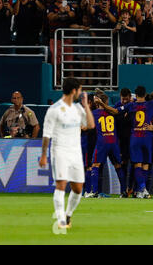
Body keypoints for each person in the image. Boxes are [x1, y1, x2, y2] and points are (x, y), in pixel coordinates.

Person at [39, 78, 95, 229]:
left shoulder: (78, 108)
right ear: (74, 90)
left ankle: (68, 215)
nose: (81, 93)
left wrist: (86, 106)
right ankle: (61, 220)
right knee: (61, 184)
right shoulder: (54, 109)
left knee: (78, 188)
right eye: (80, 90)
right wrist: (44, 155)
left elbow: (90, 125)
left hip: (75, 152)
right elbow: (46, 134)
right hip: (60, 151)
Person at [96, 86, 153, 199]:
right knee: (145, 165)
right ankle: (141, 191)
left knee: (137, 165)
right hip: (147, 136)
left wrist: (102, 104)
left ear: (135, 95)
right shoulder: (152, 103)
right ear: (145, 94)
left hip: (135, 137)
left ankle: (142, 189)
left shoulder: (131, 105)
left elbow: (115, 111)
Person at [89, 93, 127, 198]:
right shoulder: (114, 112)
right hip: (113, 142)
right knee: (118, 166)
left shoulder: (94, 113)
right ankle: (124, 191)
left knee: (95, 165)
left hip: (102, 142)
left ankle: (94, 191)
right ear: (106, 101)